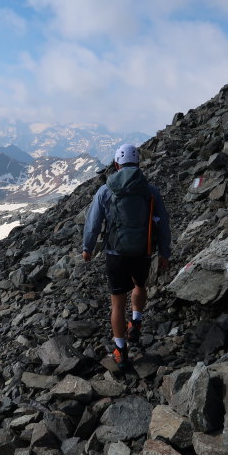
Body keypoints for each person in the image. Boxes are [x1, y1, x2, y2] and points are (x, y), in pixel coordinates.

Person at [82, 144, 171, 369]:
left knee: (117, 304)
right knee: (140, 285)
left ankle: (121, 350)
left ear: (116, 164)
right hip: (143, 251)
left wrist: (88, 248)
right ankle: (137, 322)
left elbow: (93, 223)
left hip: (115, 253)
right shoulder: (150, 190)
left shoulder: (105, 190)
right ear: (138, 163)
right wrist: (164, 252)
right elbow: (163, 225)